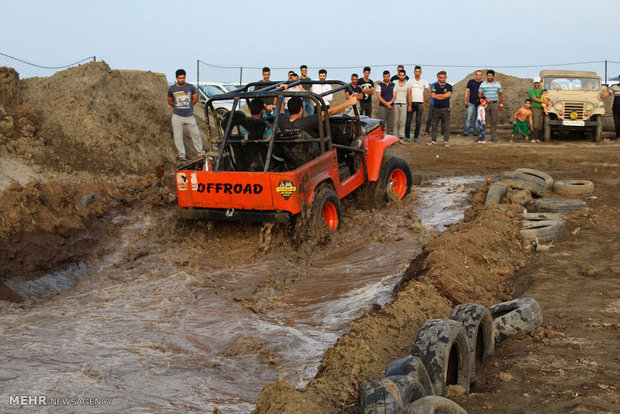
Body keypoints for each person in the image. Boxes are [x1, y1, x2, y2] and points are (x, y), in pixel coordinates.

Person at [167, 69, 205, 163]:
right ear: (176, 78)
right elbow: (170, 101)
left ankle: (200, 152)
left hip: (189, 116)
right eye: (180, 78)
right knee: (178, 136)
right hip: (177, 117)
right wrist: (177, 107)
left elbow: (195, 99)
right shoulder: (172, 89)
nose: (182, 79)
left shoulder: (190, 87)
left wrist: (188, 106)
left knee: (196, 134)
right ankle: (182, 156)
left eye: (183, 78)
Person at [406, 65, 430, 142]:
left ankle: (416, 137)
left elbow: (429, 92)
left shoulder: (424, 81)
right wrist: (409, 104)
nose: (417, 73)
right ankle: (407, 136)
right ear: (414, 72)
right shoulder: (410, 81)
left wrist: (425, 102)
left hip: (420, 103)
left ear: (421, 72)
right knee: (408, 120)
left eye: (419, 71)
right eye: (416, 71)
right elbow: (408, 93)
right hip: (411, 102)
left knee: (418, 120)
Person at [427, 71, 452, 147]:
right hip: (436, 108)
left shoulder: (449, 86)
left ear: (446, 78)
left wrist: (439, 95)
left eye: (443, 77)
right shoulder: (434, 86)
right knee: (434, 125)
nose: (442, 79)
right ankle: (433, 141)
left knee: (446, 126)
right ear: (438, 77)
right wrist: (442, 96)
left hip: (445, 109)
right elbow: (433, 96)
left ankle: (446, 141)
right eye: (440, 77)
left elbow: (447, 95)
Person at [478, 69, 503, 142]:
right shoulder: (483, 84)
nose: (489, 77)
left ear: (493, 76)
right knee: (483, 121)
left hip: (494, 104)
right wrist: (484, 101)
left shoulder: (497, 84)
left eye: (491, 75)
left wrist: (501, 104)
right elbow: (479, 94)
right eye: (488, 75)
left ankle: (493, 137)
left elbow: (500, 95)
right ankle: (480, 137)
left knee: (494, 121)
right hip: (485, 105)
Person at [463, 70, 483, 138]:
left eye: (479, 75)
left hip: (479, 104)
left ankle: (475, 132)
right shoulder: (471, 82)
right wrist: (465, 100)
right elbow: (467, 91)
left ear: (481, 76)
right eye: (477, 75)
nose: (478, 76)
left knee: (477, 119)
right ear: (475, 75)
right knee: (468, 118)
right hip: (471, 102)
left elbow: (484, 93)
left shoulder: (483, 83)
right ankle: (466, 132)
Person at [392, 69, 411, 140]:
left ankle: (401, 137)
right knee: (395, 122)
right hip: (395, 104)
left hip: (404, 104)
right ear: (398, 75)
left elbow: (409, 95)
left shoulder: (408, 84)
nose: (402, 77)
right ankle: (394, 137)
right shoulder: (394, 83)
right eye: (400, 75)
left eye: (403, 75)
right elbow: (392, 93)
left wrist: (410, 105)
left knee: (402, 122)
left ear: (405, 76)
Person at [376, 70, 395, 135]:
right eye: (385, 77)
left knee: (390, 124)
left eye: (387, 76)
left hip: (391, 106)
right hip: (382, 107)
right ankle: (381, 137)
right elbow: (379, 96)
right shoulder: (379, 85)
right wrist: (386, 104)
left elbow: (394, 96)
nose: (386, 78)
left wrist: (390, 103)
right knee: (382, 124)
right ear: (383, 77)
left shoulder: (393, 85)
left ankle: (390, 139)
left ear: (389, 76)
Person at [528, 76, 544, 141]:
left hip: (541, 108)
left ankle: (538, 138)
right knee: (535, 123)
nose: (536, 84)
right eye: (535, 83)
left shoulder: (541, 91)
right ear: (534, 83)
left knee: (540, 124)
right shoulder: (532, 90)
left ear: (540, 83)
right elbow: (534, 99)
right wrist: (544, 101)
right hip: (535, 108)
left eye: (538, 83)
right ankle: (533, 137)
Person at [611, 75, 620, 140]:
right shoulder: (614, 87)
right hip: (616, 108)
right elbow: (608, 93)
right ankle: (618, 136)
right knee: (617, 123)